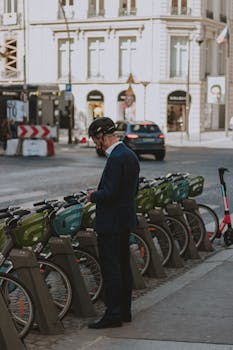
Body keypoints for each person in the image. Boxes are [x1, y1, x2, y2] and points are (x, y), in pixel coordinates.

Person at [86, 117, 140, 329]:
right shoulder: (129, 154)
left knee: (111, 270)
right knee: (123, 267)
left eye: (94, 139)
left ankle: (113, 314)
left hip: (111, 222)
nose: (95, 144)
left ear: (102, 137)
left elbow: (110, 193)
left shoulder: (116, 158)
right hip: (125, 219)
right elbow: (132, 190)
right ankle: (125, 311)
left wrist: (93, 196)